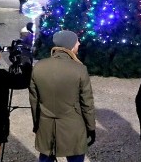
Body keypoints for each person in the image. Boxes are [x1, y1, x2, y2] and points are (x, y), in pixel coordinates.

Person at [29, 30, 96, 162]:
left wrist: (37, 124)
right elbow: (87, 104)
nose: (79, 44)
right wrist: (91, 128)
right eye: (77, 42)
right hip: (73, 127)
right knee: (75, 158)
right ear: (70, 45)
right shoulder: (80, 69)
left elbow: (34, 101)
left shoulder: (39, 67)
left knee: (45, 158)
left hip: (46, 126)